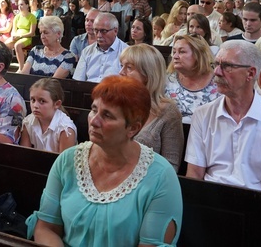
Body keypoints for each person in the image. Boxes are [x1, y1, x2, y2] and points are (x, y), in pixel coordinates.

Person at [27, 75, 182, 246]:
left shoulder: (160, 176)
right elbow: (46, 228)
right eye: (94, 110)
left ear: (133, 128)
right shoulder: (68, 160)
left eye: (107, 115)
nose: (94, 121)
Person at [186, 41, 261, 193]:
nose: (217, 72)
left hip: (255, 205)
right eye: (216, 64)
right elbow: (194, 175)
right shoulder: (202, 114)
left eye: (227, 66)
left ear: (250, 73)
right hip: (210, 201)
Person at [119, 45, 184, 171]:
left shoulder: (168, 112)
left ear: (147, 74)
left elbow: (170, 166)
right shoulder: (116, 104)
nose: (121, 72)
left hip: (148, 184)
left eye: (129, 68)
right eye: (121, 66)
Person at [165, 34, 219, 123]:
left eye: (182, 52)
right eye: (174, 52)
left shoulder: (218, 82)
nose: (175, 56)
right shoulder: (167, 80)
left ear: (198, 55)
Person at [20, 78, 77, 152]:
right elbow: (24, 155)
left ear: (57, 104)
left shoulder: (65, 129)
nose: (35, 105)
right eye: (33, 100)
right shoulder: (28, 122)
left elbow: (64, 162)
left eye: (42, 101)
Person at [73, 13, 128, 83]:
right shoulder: (87, 51)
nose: (99, 35)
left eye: (103, 31)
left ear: (115, 31)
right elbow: (78, 82)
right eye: (96, 31)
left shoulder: (126, 52)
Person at [6, 0, 38, 67]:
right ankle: (6, 64)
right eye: (19, 5)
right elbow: (14, 30)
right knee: (5, 44)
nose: (20, 7)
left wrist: (20, 36)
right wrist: (13, 36)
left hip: (27, 37)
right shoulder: (17, 17)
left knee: (17, 45)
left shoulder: (32, 17)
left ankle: (21, 67)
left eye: (22, 4)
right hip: (17, 36)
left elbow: (32, 33)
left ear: (27, 5)